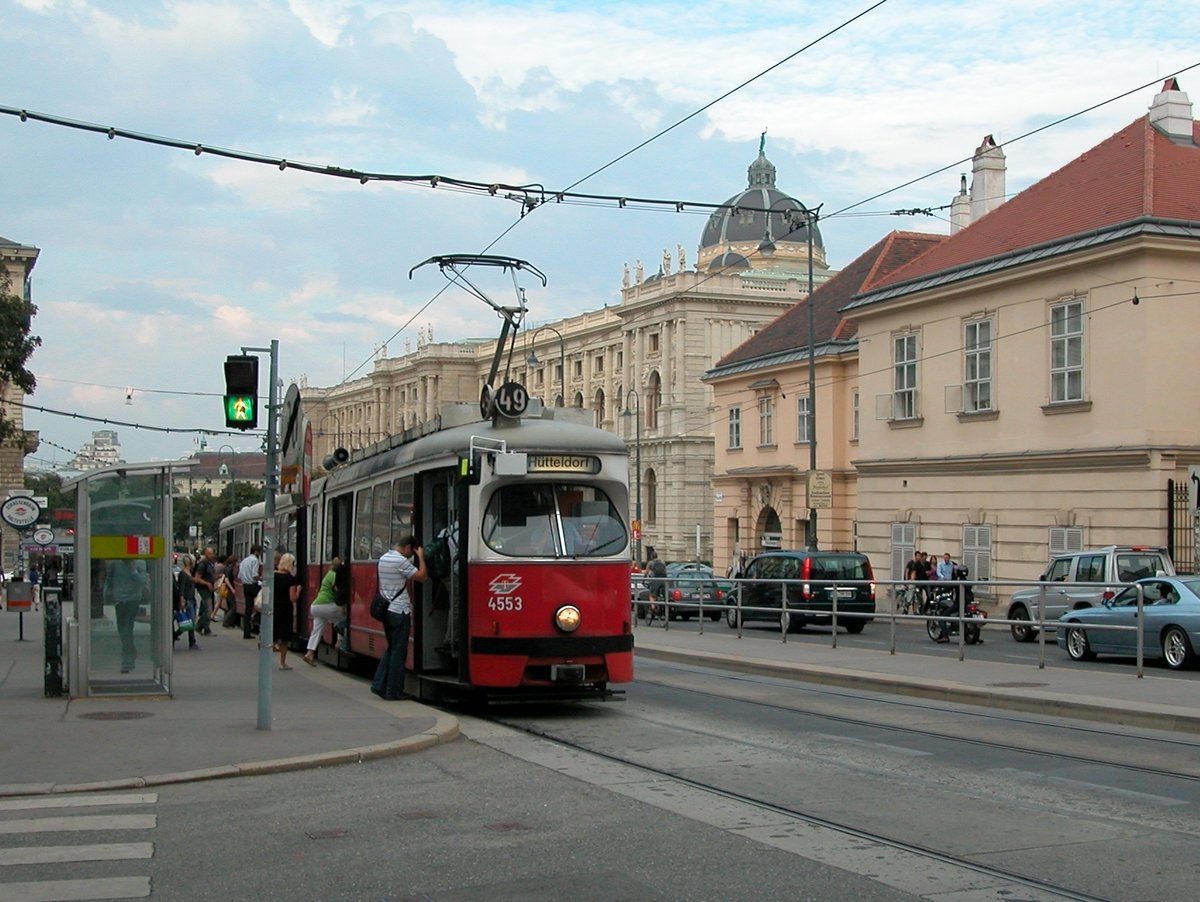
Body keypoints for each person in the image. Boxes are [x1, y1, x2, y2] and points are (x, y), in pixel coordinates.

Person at [371, 536, 427, 700]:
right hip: (400, 611)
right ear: (408, 547)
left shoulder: (383, 559)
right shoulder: (400, 562)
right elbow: (422, 576)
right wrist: (421, 558)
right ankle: (393, 691)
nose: (411, 555)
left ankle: (378, 683)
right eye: (412, 552)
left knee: (391, 648)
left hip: (387, 610)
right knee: (398, 652)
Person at [105, 558, 148, 673]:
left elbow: (142, 581)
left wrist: (133, 570)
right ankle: (131, 650)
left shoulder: (139, 562)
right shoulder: (114, 562)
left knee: (127, 629)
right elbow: (109, 579)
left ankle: (127, 660)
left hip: (133, 600)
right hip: (119, 600)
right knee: (121, 629)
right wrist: (106, 594)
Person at [304, 557, 344, 666]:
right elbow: (338, 591)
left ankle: (309, 653)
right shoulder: (335, 576)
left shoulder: (329, 573)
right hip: (325, 605)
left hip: (315, 606)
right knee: (342, 617)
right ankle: (339, 641)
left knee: (317, 630)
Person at [272, 553, 301, 669]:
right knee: (284, 637)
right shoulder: (290, 579)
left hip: (273, 608)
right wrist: (298, 591)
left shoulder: (273, 576)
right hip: (285, 609)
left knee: (273, 632)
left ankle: (268, 650)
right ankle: (282, 663)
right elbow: (292, 598)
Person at [174, 554, 199, 650]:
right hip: (187, 600)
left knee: (189, 621)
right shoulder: (183, 574)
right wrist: (182, 600)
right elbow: (182, 588)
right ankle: (191, 642)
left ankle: (178, 635)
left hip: (192, 598)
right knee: (190, 621)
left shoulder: (189, 572)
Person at [238, 545, 263, 639]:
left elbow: (240, 576)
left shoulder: (244, 560)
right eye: (260, 552)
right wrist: (262, 579)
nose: (261, 554)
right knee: (261, 603)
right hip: (253, 586)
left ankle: (246, 632)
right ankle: (258, 619)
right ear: (257, 551)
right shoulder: (255, 560)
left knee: (248, 609)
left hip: (246, 586)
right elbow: (254, 575)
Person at [192, 547, 217, 636]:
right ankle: (205, 628)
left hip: (209, 589)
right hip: (204, 590)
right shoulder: (203, 564)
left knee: (207, 609)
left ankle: (200, 627)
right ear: (205, 554)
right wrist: (207, 584)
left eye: (212, 553)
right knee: (208, 609)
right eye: (209, 554)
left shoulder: (210, 564)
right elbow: (197, 578)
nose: (211, 555)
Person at [645, 546, 667, 624]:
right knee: (662, 594)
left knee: (651, 595)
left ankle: (653, 607)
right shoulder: (662, 562)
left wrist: (644, 578)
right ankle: (664, 603)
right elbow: (665, 571)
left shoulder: (650, 563)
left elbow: (646, 572)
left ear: (651, 557)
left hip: (655, 580)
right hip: (664, 580)